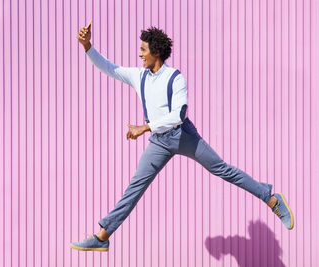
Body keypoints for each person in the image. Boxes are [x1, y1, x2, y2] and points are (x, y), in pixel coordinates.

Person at [70, 24, 294, 252]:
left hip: (182, 136)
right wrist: (87, 46)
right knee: (134, 188)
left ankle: (272, 199)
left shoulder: (175, 78)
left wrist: (145, 127)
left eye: (143, 49)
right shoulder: (140, 76)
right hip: (159, 142)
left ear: (156, 52)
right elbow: (110, 68)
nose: (140, 54)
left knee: (223, 170)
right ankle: (102, 236)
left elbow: (178, 115)